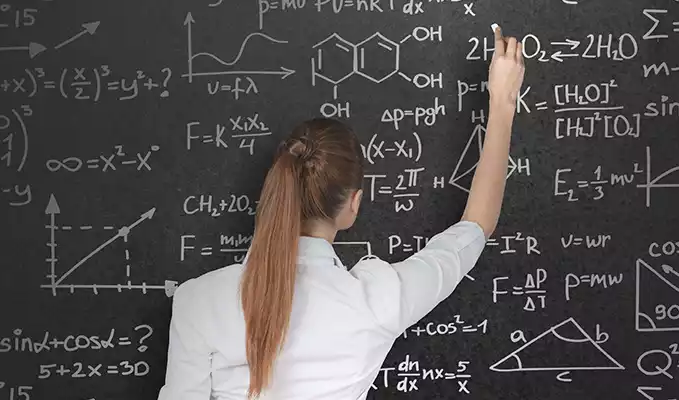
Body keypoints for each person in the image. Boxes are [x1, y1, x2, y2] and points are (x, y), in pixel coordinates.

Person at [157, 25, 526, 400]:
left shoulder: (198, 302)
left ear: (274, 192)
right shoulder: (377, 301)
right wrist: (502, 104)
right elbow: (475, 227)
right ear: (353, 205)